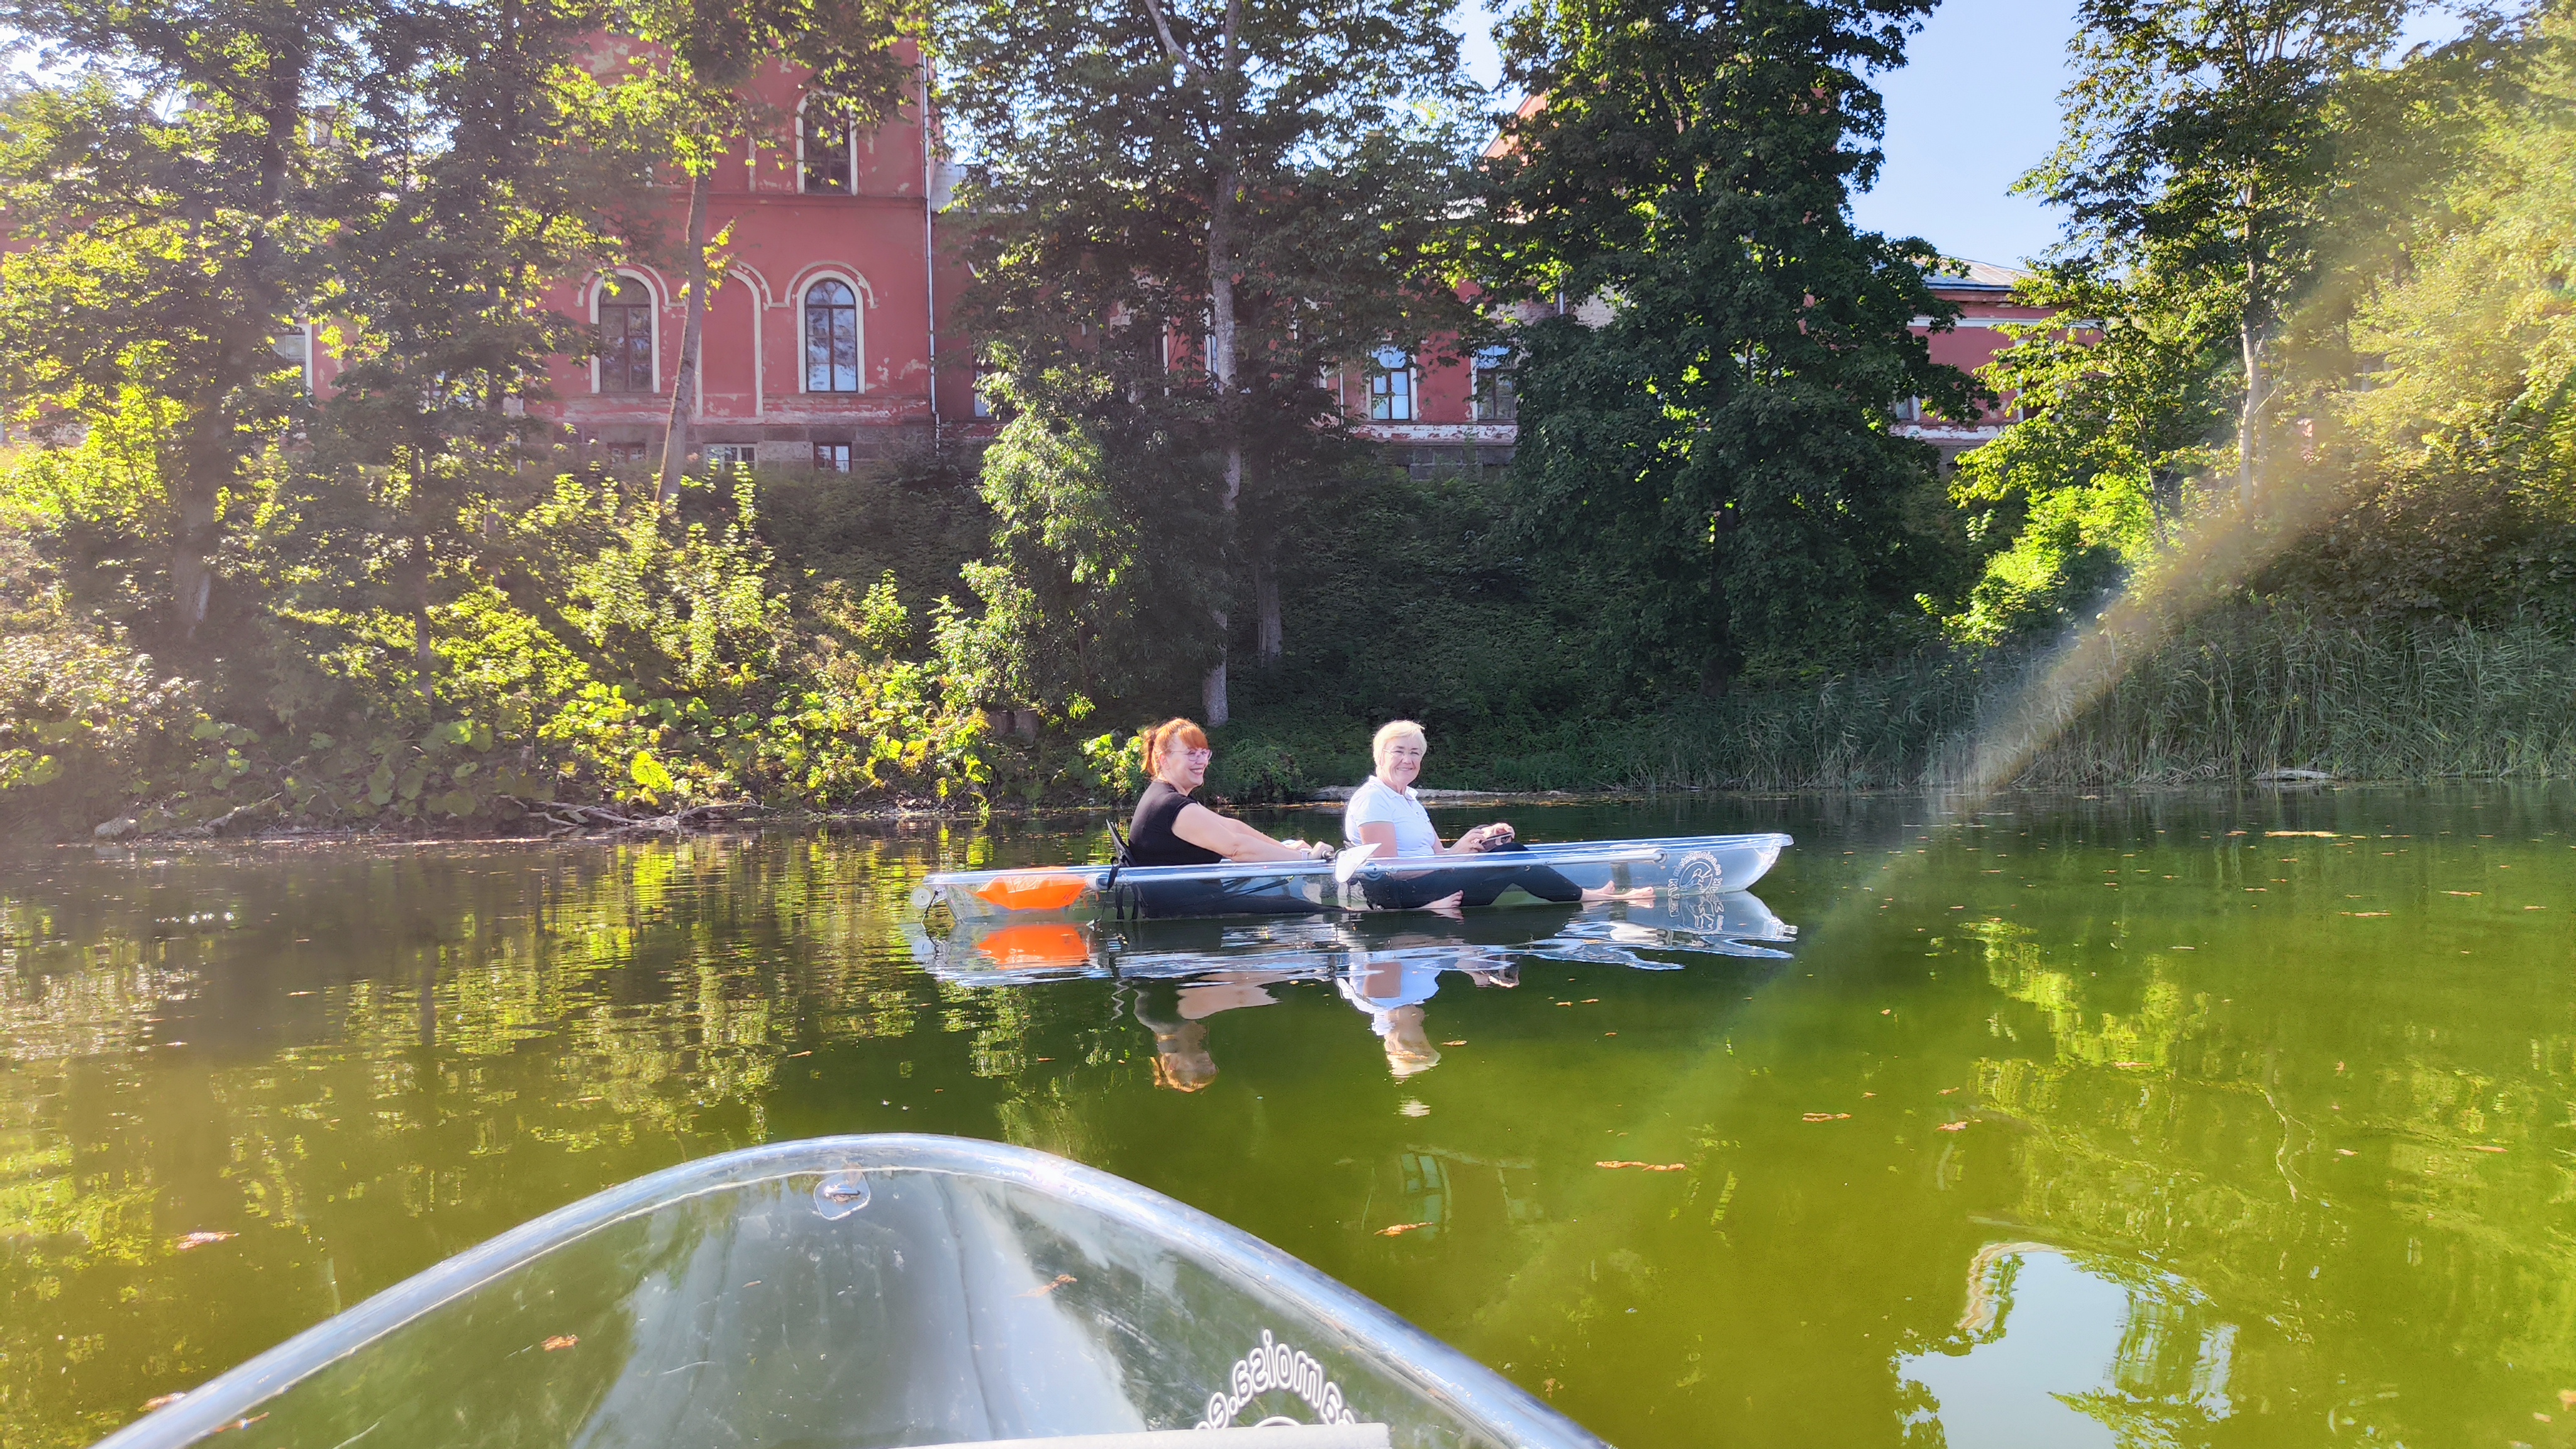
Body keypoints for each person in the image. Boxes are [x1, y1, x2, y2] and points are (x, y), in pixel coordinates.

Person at [1343, 719, 1645, 911]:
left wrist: (1481, 839)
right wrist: (1454, 857)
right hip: (1405, 892)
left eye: (1415, 753)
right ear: (1379, 755)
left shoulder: (1409, 799)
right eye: (1399, 752)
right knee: (1513, 856)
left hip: (1431, 881)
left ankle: (1580, 894)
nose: (1408, 760)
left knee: (1503, 848)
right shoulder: (1373, 799)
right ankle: (1589, 898)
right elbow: (1389, 870)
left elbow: (1438, 856)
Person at [1128, 718, 1334, 865]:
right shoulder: (1170, 805)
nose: (1202, 761)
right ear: (1164, 760)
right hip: (1189, 910)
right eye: (1191, 754)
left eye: (1204, 753)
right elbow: (1236, 848)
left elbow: (1232, 827)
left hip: (1195, 904)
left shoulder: (1170, 797)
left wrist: (1287, 849)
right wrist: (1307, 858)